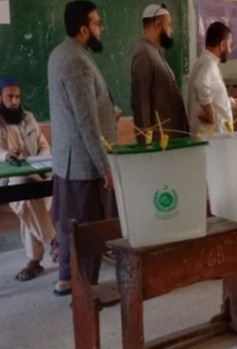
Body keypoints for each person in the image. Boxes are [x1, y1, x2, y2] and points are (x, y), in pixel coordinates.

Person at [48, 0, 118, 296]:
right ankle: (85, 292)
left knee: (70, 225)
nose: (101, 28)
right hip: (83, 164)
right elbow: (87, 121)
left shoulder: (64, 52)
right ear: (83, 28)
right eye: (97, 23)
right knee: (87, 230)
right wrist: (105, 167)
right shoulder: (75, 61)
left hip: (70, 159)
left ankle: (67, 279)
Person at [0, 77, 57, 281]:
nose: (14, 101)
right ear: (0, 97)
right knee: (25, 188)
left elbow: (43, 146)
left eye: (17, 96)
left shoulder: (29, 118)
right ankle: (53, 242)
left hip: (35, 173)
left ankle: (34, 261)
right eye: (10, 97)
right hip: (8, 179)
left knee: (28, 198)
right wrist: (6, 155)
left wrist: (39, 160)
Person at [131, 3, 188, 141]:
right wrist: (146, 142)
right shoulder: (144, 53)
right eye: (169, 25)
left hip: (169, 140)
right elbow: (141, 102)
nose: (172, 30)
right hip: (159, 143)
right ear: (157, 25)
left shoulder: (154, 51)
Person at [187, 22, 237, 135]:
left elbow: (211, 94)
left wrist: (229, 102)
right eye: (229, 45)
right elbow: (201, 85)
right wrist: (210, 114)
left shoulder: (206, 62)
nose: (230, 50)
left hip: (213, 138)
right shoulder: (208, 63)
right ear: (222, 45)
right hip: (211, 137)